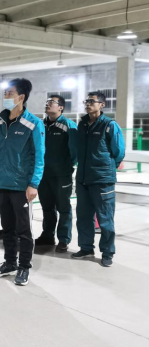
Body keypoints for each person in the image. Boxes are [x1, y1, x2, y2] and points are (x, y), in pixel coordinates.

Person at [0, 79, 45, 286]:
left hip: (21, 186)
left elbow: (39, 156)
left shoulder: (33, 123)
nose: (5, 96)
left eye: (9, 93)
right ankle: (10, 263)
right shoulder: (0, 122)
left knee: (23, 230)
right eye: (5, 93)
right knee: (7, 228)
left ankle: (24, 267)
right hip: (1, 184)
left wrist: (34, 184)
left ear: (21, 97)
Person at [72, 92, 125, 267]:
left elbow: (118, 152)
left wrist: (106, 168)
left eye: (91, 101)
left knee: (105, 218)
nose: (88, 104)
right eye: (86, 101)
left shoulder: (109, 125)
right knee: (83, 216)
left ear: (102, 104)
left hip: (102, 180)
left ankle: (107, 252)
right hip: (83, 179)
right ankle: (86, 248)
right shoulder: (82, 124)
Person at [35, 95, 78, 253]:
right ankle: (48, 235)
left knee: (63, 208)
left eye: (51, 102)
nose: (47, 104)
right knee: (47, 207)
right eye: (47, 102)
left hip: (61, 175)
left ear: (61, 107)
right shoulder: (41, 125)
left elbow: (75, 152)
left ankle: (63, 240)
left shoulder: (69, 126)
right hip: (43, 174)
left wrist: (65, 166)